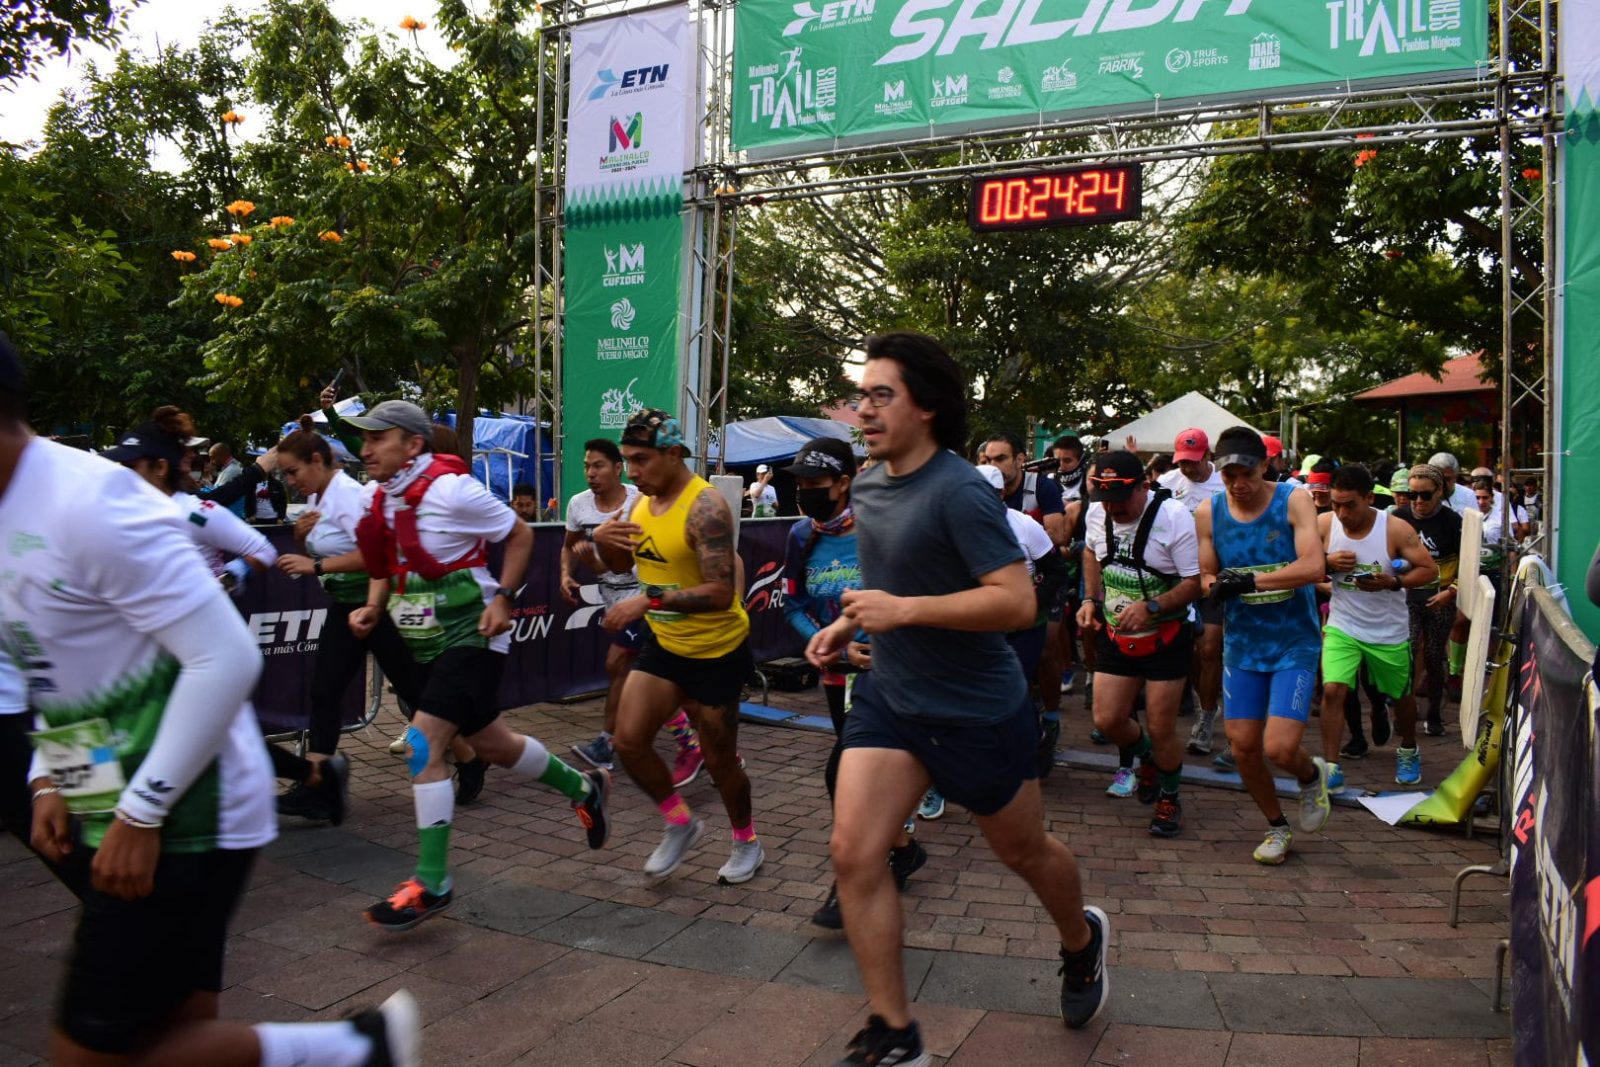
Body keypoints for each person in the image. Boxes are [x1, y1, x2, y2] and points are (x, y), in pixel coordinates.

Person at [0, 339, 418, 1066]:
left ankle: (357, 1049)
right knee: (170, 1035)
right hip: (124, 795)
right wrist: (49, 776)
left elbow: (224, 656)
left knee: (90, 1056)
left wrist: (140, 810)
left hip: (188, 812)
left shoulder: (89, 501)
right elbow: (59, 666)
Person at [804, 333, 1107, 1065]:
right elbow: (895, 582)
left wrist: (901, 613)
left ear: (928, 409)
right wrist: (851, 617)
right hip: (893, 697)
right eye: (862, 393)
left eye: (883, 395)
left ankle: (1082, 939)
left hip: (976, 708)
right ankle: (895, 1031)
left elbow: (1014, 603)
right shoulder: (870, 482)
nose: (865, 410)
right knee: (853, 851)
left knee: (1023, 851)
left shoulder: (962, 489)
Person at [346, 400, 609, 931]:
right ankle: (584, 788)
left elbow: (520, 535)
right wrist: (375, 605)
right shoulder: (382, 498)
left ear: (414, 444)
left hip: (474, 636)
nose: (365, 448)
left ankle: (433, 883)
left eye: (379, 438)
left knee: (423, 744)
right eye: (363, 439)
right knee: (495, 745)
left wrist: (504, 598)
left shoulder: (451, 489)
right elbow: (388, 563)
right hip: (426, 642)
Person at [594, 409, 765, 885]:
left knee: (720, 763)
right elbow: (615, 563)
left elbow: (720, 593)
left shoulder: (705, 508)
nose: (631, 472)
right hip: (666, 645)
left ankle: (746, 841)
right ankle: (679, 821)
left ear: (673, 454)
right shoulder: (639, 505)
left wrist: (647, 601)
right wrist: (599, 541)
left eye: (641, 460)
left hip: (717, 652)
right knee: (628, 742)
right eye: (627, 460)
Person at [781, 436, 926, 930]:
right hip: (836, 672)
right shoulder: (802, 536)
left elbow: (918, 597)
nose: (805, 493)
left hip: (894, 672)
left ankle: (854, 877)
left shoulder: (884, 529)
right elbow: (794, 605)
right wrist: (833, 646)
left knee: (843, 774)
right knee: (852, 768)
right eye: (798, 484)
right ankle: (901, 849)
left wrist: (888, 645)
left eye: (815, 484)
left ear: (844, 483)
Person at [271, 426, 430, 822]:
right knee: (325, 691)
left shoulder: (347, 496)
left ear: (318, 461)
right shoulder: (316, 496)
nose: (290, 481)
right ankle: (319, 784)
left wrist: (316, 565)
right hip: (345, 605)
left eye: (293, 472)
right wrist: (301, 539)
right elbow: (328, 546)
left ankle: (470, 753)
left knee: (415, 693)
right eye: (286, 475)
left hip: (376, 604)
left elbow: (376, 554)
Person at [1194, 426, 1331, 865]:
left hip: (1294, 640)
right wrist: (1216, 587)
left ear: (1265, 464)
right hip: (1244, 643)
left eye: (1246, 472)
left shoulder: (1293, 499)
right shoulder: (1207, 512)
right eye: (1228, 473)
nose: (1238, 483)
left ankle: (1311, 776)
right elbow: (1206, 575)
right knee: (1242, 747)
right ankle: (1277, 826)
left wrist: (1250, 580)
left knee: (1280, 747)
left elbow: (1313, 566)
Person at [564, 437, 706, 778]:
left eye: (598, 466)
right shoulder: (579, 505)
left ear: (615, 469)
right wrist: (567, 573)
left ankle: (685, 744)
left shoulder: (641, 501)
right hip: (621, 598)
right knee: (649, 677)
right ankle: (714, 748)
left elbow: (721, 574)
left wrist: (648, 597)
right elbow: (592, 558)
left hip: (646, 599)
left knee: (621, 664)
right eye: (586, 466)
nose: (591, 473)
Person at [1077, 450, 1201, 836]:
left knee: (1162, 726)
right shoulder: (1098, 513)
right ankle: (1147, 757)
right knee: (1107, 719)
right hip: (1117, 633)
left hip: (1167, 635)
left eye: (1121, 498)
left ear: (1144, 487)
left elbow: (1194, 583)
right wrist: (1089, 600)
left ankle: (1169, 796)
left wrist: (1153, 606)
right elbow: (1089, 553)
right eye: (1105, 498)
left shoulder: (1174, 517)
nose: (1112, 507)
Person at [1317, 465, 1437, 789]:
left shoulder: (1395, 529)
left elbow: (1429, 570)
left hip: (1388, 630)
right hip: (1343, 625)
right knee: (1332, 690)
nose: (1341, 513)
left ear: (1369, 498)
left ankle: (1409, 747)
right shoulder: (1325, 524)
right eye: (1335, 504)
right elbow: (1298, 559)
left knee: (1401, 698)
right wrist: (1326, 563)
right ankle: (1330, 766)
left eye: (1350, 505)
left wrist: (1393, 581)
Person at [977, 432, 1069, 780]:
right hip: (982, 626)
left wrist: (1030, 603)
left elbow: (1056, 572)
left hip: (1025, 625)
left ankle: (1034, 745)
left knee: (1011, 685)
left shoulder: (1024, 525)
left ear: (1000, 495)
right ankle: (1019, 744)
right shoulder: (960, 528)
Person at [1162, 429, 1226, 763]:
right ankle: (1202, 700)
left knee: (1211, 647)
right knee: (1186, 648)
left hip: (1211, 577)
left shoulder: (1224, 484)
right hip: (1176, 578)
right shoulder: (1168, 482)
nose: (1188, 468)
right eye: (1183, 461)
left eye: (1194, 461)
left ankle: (1206, 716)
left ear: (1208, 454)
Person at [1392, 463, 1462, 737]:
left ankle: (1434, 713)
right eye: (1412, 495)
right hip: (1406, 597)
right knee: (1405, 653)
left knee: (1433, 657)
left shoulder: (1453, 521)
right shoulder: (1397, 518)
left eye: (1425, 495)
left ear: (1439, 492)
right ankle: (1403, 713)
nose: (1418, 502)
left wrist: (1451, 592)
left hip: (1441, 596)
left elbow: (1469, 565)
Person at [1049, 433, 1087, 502]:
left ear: (1080, 460)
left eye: (1067, 461)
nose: (1061, 466)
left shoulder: (1091, 482)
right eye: (1057, 461)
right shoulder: (1047, 482)